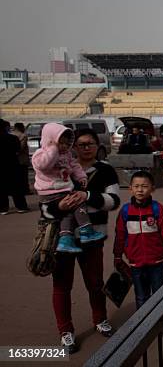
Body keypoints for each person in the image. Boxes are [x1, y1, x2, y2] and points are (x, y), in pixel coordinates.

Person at [42, 128, 121, 353]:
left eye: (90, 144)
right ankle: (65, 331)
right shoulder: (59, 167)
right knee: (61, 287)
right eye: (81, 144)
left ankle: (100, 319)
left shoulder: (106, 170)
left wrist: (87, 196)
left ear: (98, 146)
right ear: (74, 147)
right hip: (61, 238)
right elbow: (44, 206)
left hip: (93, 237)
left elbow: (114, 201)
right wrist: (59, 206)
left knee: (95, 283)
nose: (86, 147)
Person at [113, 171, 163, 336]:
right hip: (135, 263)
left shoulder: (157, 209)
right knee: (141, 297)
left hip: (157, 262)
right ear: (130, 189)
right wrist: (117, 255)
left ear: (152, 189)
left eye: (144, 186)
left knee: (160, 293)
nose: (140, 190)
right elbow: (120, 235)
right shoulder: (126, 211)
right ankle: (144, 325)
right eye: (136, 186)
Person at [32, 123, 105, 253]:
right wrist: (53, 149)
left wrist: (82, 178)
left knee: (72, 208)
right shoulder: (42, 154)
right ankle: (85, 230)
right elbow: (43, 166)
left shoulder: (104, 168)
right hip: (50, 191)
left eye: (67, 143)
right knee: (75, 204)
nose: (64, 146)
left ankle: (66, 238)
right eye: (81, 145)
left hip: (64, 189)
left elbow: (75, 165)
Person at [0, 119, 28, 214]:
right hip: (12, 164)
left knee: (2, 188)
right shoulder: (13, 138)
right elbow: (18, 149)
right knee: (17, 187)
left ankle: (3, 208)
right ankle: (21, 206)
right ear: (5, 127)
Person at [12, 122, 31, 195]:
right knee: (24, 176)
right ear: (20, 127)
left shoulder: (11, 134)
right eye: (23, 127)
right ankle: (25, 190)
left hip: (13, 159)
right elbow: (21, 148)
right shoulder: (23, 136)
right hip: (22, 159)